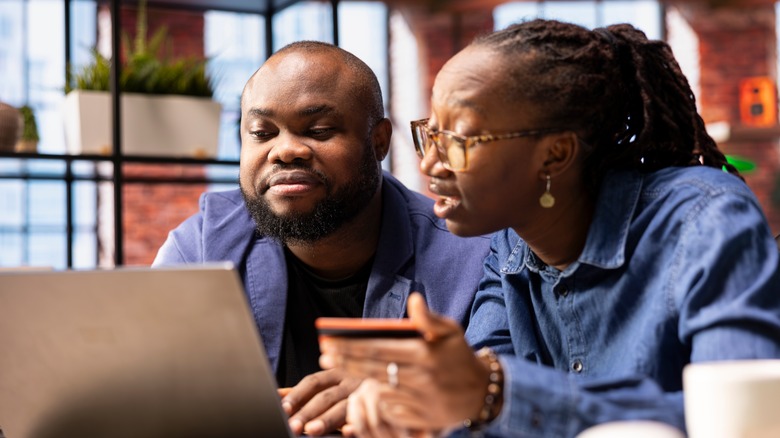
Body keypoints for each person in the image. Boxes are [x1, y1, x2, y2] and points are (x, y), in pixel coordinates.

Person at [319, 19, 780, 438]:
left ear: (556, 155)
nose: (429, 163)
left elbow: (741, 420)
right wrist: (414, 406)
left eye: (459, 140)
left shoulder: (703, 217)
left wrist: (493, 391)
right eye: (430, 134)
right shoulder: (508, 246)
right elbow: (480, 409)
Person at [153, 41, 491, 436]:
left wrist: (409, 396)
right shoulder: (202, 249)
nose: (286, 151)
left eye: (319, 131)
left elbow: (502, 409)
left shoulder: (471, 256)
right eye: (262, 133)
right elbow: (151, 396)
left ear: (379, 141)